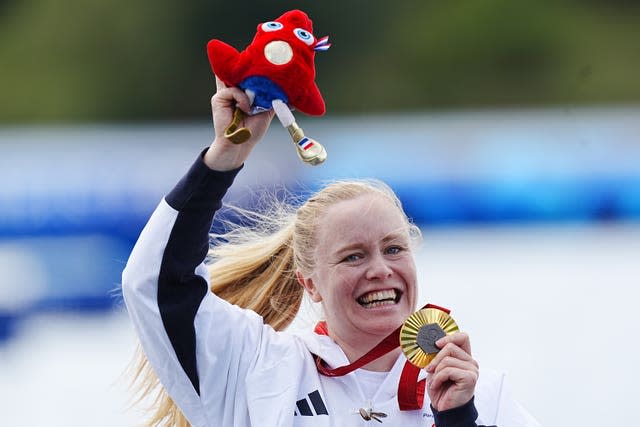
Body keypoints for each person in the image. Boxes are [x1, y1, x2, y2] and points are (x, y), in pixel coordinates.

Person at [122, 79, 540, 427]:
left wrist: (459, 418)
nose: (380, 270)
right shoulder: (259, 369)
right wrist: (225, 157)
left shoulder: (483, 394)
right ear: (310, 282)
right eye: (353, 257)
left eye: (393, 249)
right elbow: (155, 284)